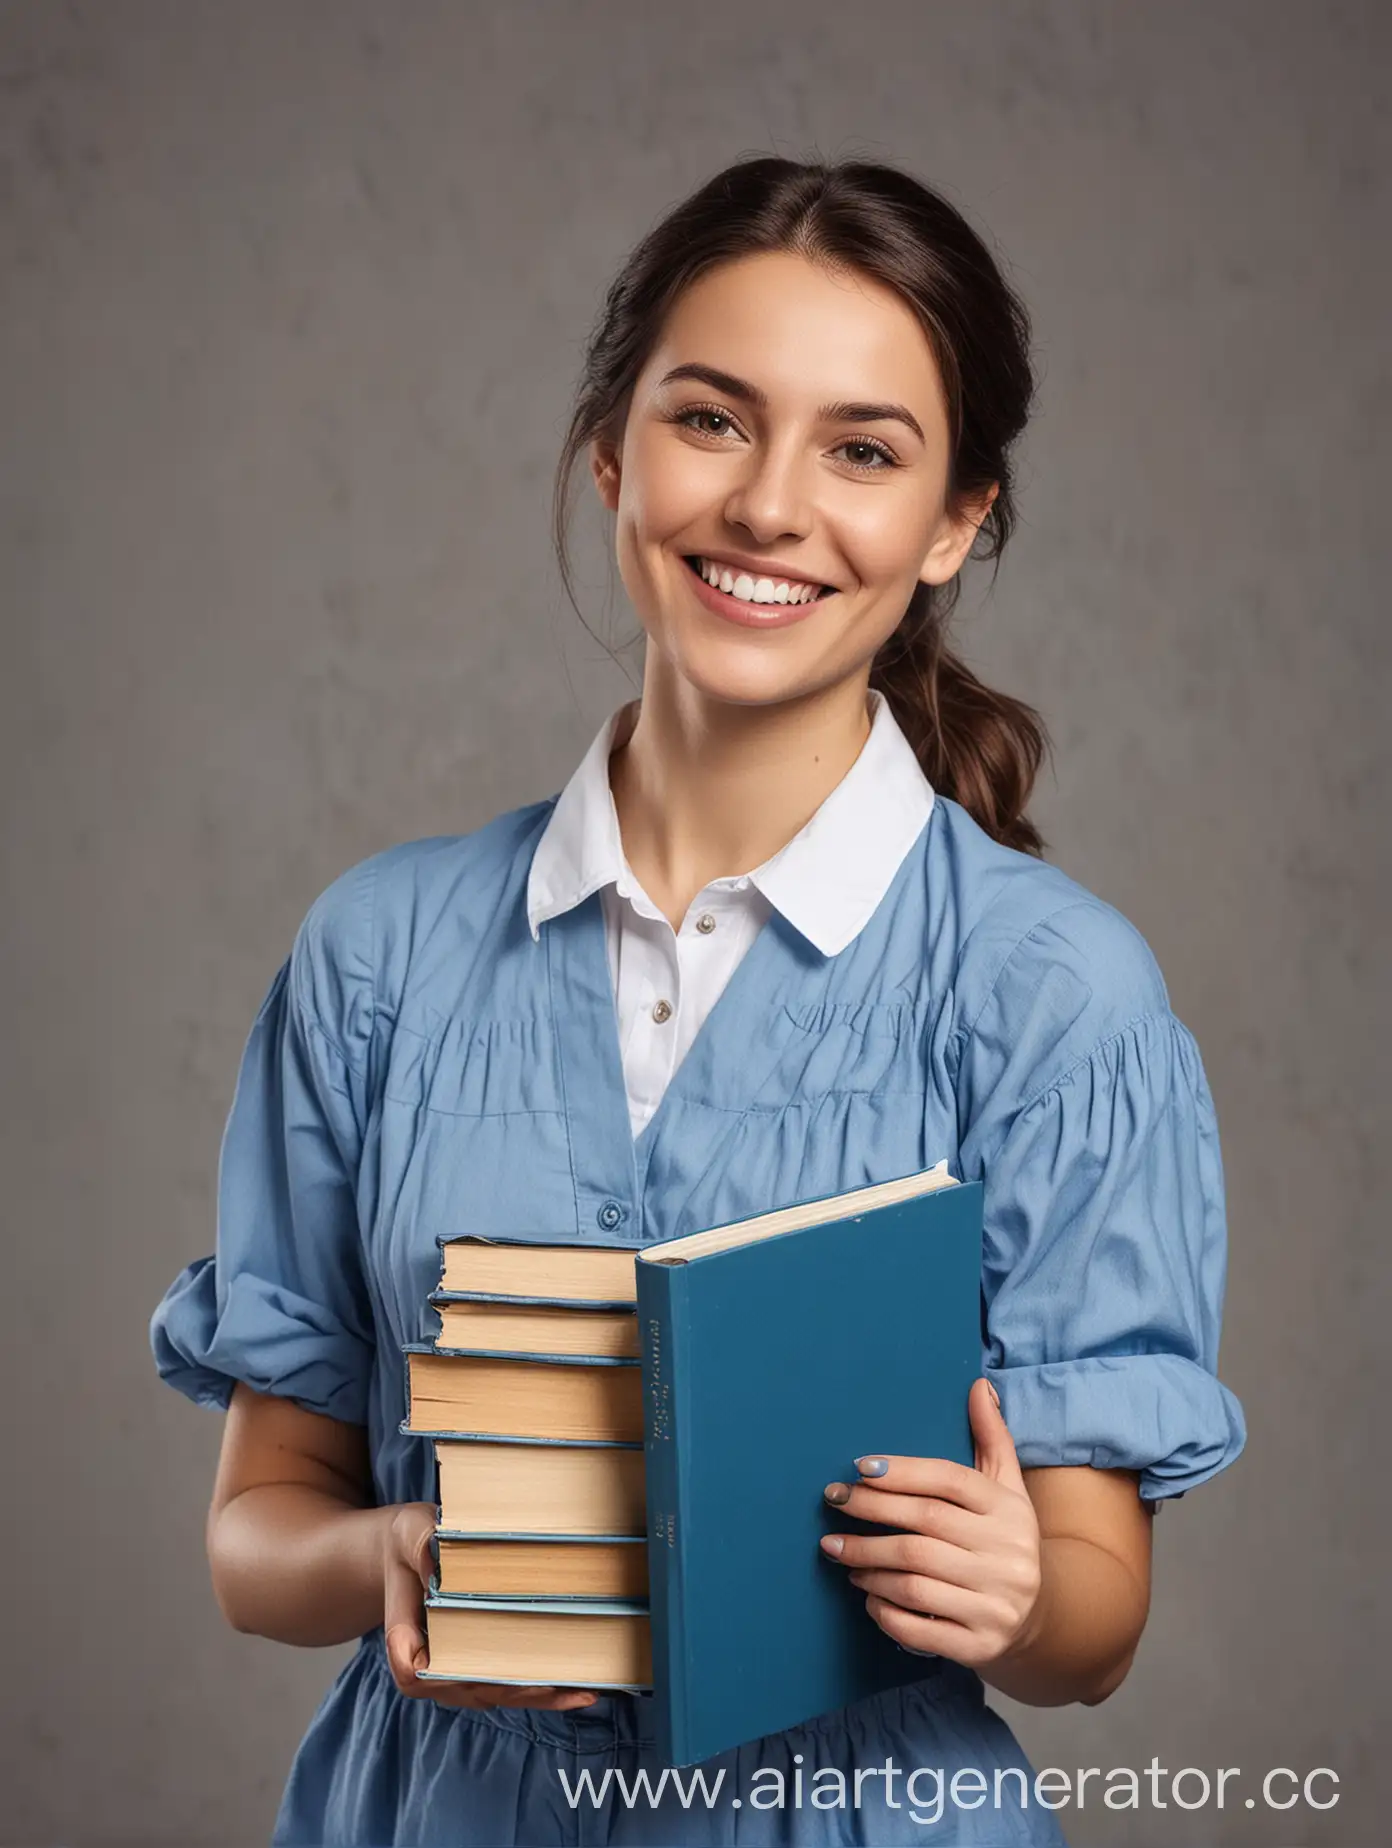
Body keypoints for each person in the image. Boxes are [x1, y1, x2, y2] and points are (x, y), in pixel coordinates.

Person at [149, 155, 1246, 1847]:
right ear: (612, 447)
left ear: (958, 519)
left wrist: (1019, 1593)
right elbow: (257, 1532)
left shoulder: (1053, 996)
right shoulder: (378, 956)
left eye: (864, 449)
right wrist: (397, 1558)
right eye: (712, 420)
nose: (768, 507)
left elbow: (1094, 1618)